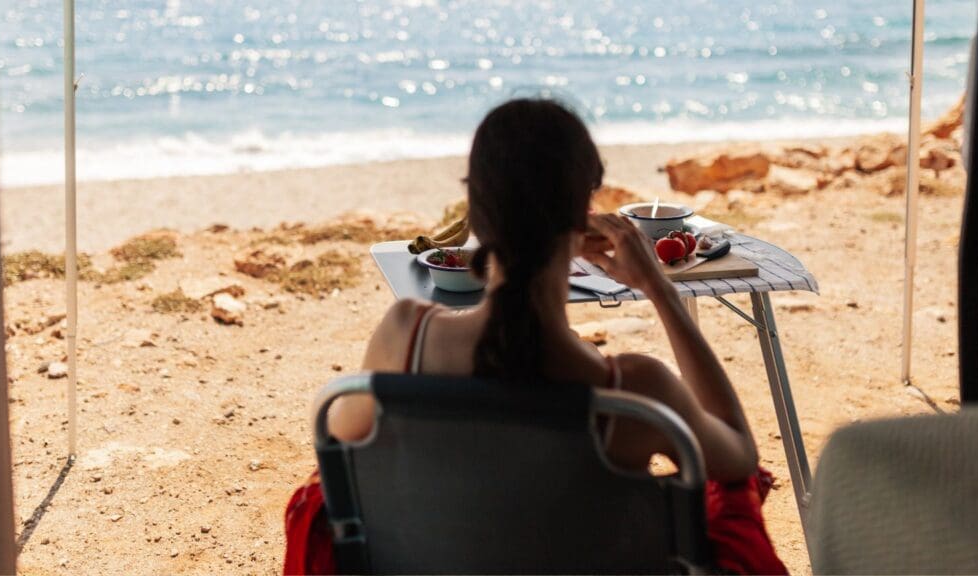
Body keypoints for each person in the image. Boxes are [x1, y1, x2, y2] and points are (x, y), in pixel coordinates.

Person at [284, 98, 787, 575]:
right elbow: (738, 457)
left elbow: (345, 469)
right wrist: (659, 289)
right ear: (582, 215)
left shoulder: (403, 338)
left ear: (476, 215)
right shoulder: (633, 392)